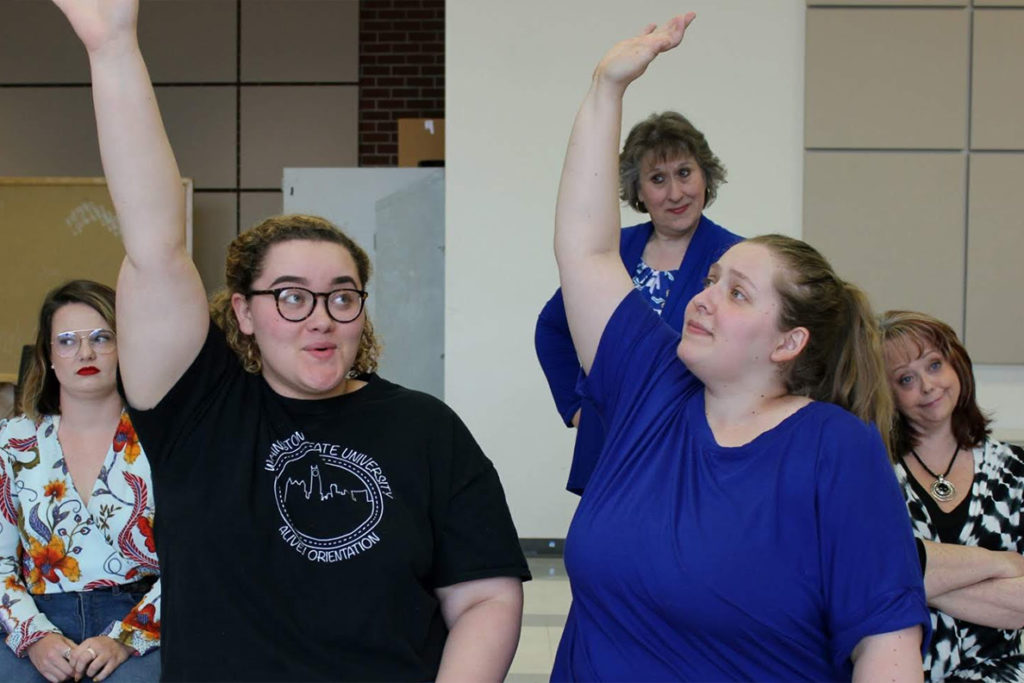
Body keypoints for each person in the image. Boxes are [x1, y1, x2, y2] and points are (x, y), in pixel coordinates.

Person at [51, 0, 530, 681]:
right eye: (292, 296)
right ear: (243, 312)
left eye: (341, 295)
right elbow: (155, 245)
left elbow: (485, 594)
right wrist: (113, 47)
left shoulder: (426, 428)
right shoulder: (200, 415)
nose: (320, 317)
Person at [550, 13, 929, 680]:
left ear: (789, 341)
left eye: (738, 293)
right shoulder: (650, 382)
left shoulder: (836, 449)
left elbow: (885, 647)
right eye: (712, 280)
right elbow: (585, 247)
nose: (704, 296)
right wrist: (605, 88)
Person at [535, 109, 741, 495]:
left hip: (693, 447)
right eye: (658, 179)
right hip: (612, 446)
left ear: (705, 175)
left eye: (684, 172)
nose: (676, 193)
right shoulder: (611, 252)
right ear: (638, 190)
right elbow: (552, 328)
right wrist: (579, 409)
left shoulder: (736, 257)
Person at [0, 280, 160, 683]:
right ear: (49, 356)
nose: (85, 352)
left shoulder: (163, 440)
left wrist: (126, 638)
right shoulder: (12, 442)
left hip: (139, 621)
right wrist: (34, 637)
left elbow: (195, 560)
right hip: (33, 617)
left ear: (126, 347)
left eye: (102, 338)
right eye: (67, 341)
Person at [881, 310, 1024, 681]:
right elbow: (866, 576)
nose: (927, 386)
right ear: (887, 393)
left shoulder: (1016, 470)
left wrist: (914, 579)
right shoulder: (872, 474)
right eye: (906, 378)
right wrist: (1002, 564)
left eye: (934, 365)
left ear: (956, 365)